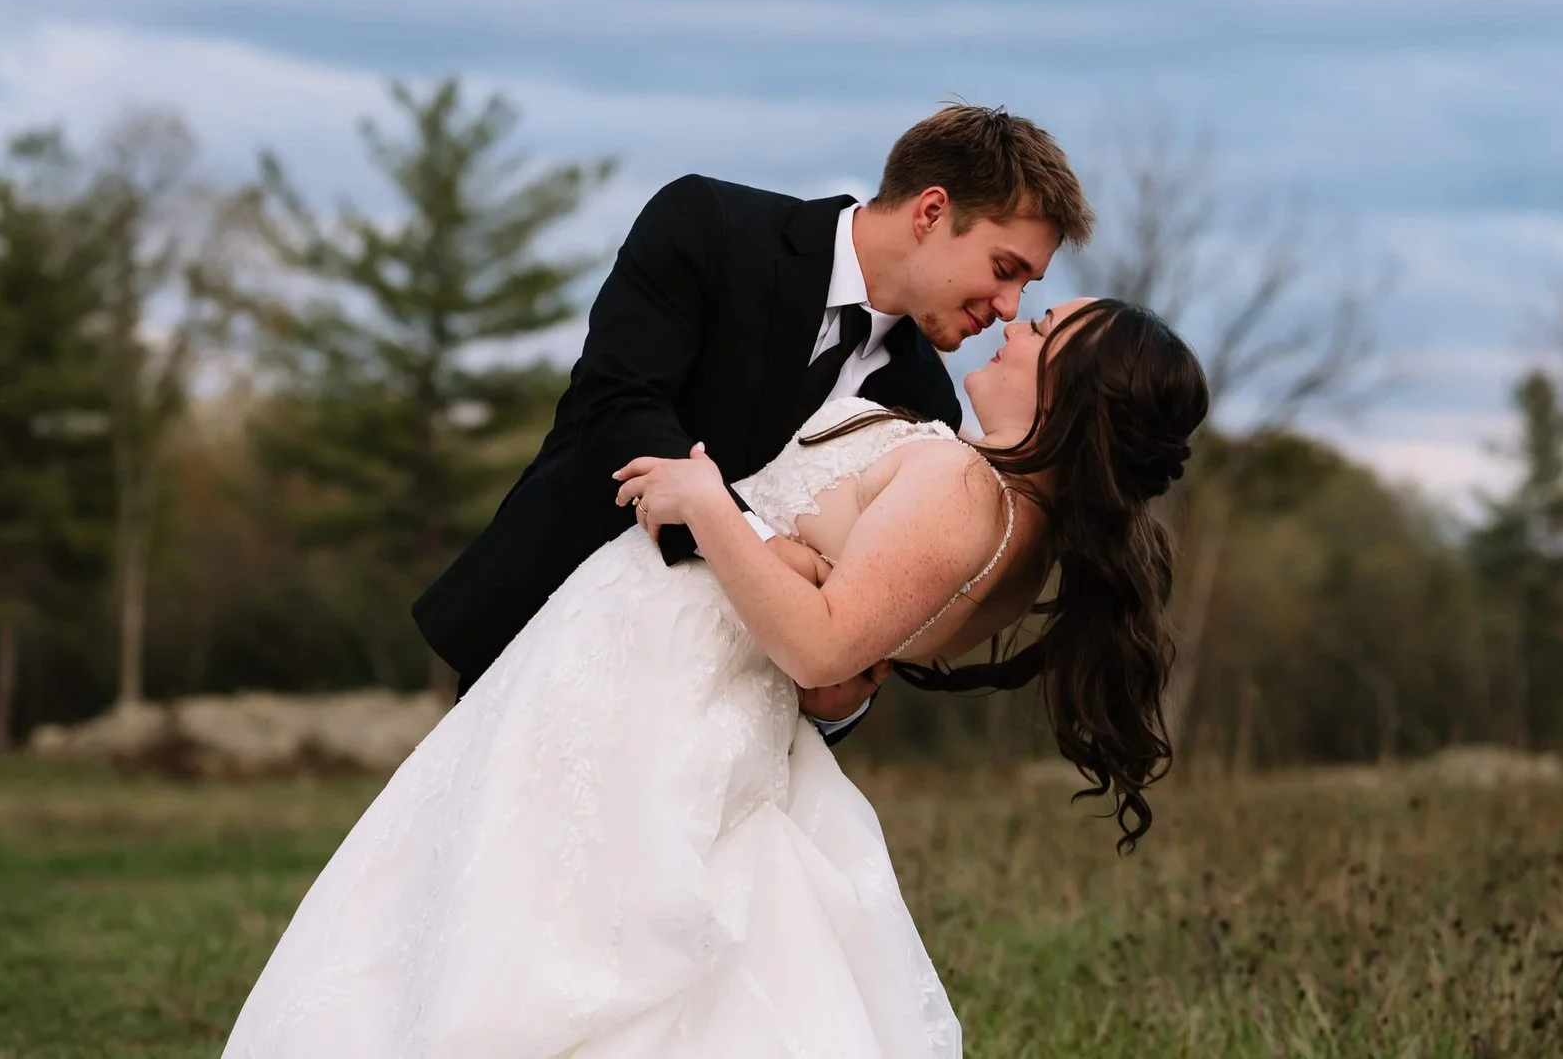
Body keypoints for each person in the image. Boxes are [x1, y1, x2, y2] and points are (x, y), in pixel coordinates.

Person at [221, 294, 1209, 1058]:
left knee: (545, 930)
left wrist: (710, 506)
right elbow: (848, 613)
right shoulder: (1007, 521)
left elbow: (825, 649)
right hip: (643, 661)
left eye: (1046, 327)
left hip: (666, 679)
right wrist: (788, 556)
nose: (1019, 323)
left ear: (1076, 385)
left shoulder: (968, 493)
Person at [412, 103, 1092, 735]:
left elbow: (855, 611)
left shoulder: (928, 406)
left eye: (1025, 287)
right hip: (547, 632)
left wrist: (844, 700)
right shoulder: (709, 228)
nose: (1008, 307)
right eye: (1005, 269)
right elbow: (617, 406)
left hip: (718, 719)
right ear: (932, 211)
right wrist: (768, 544)